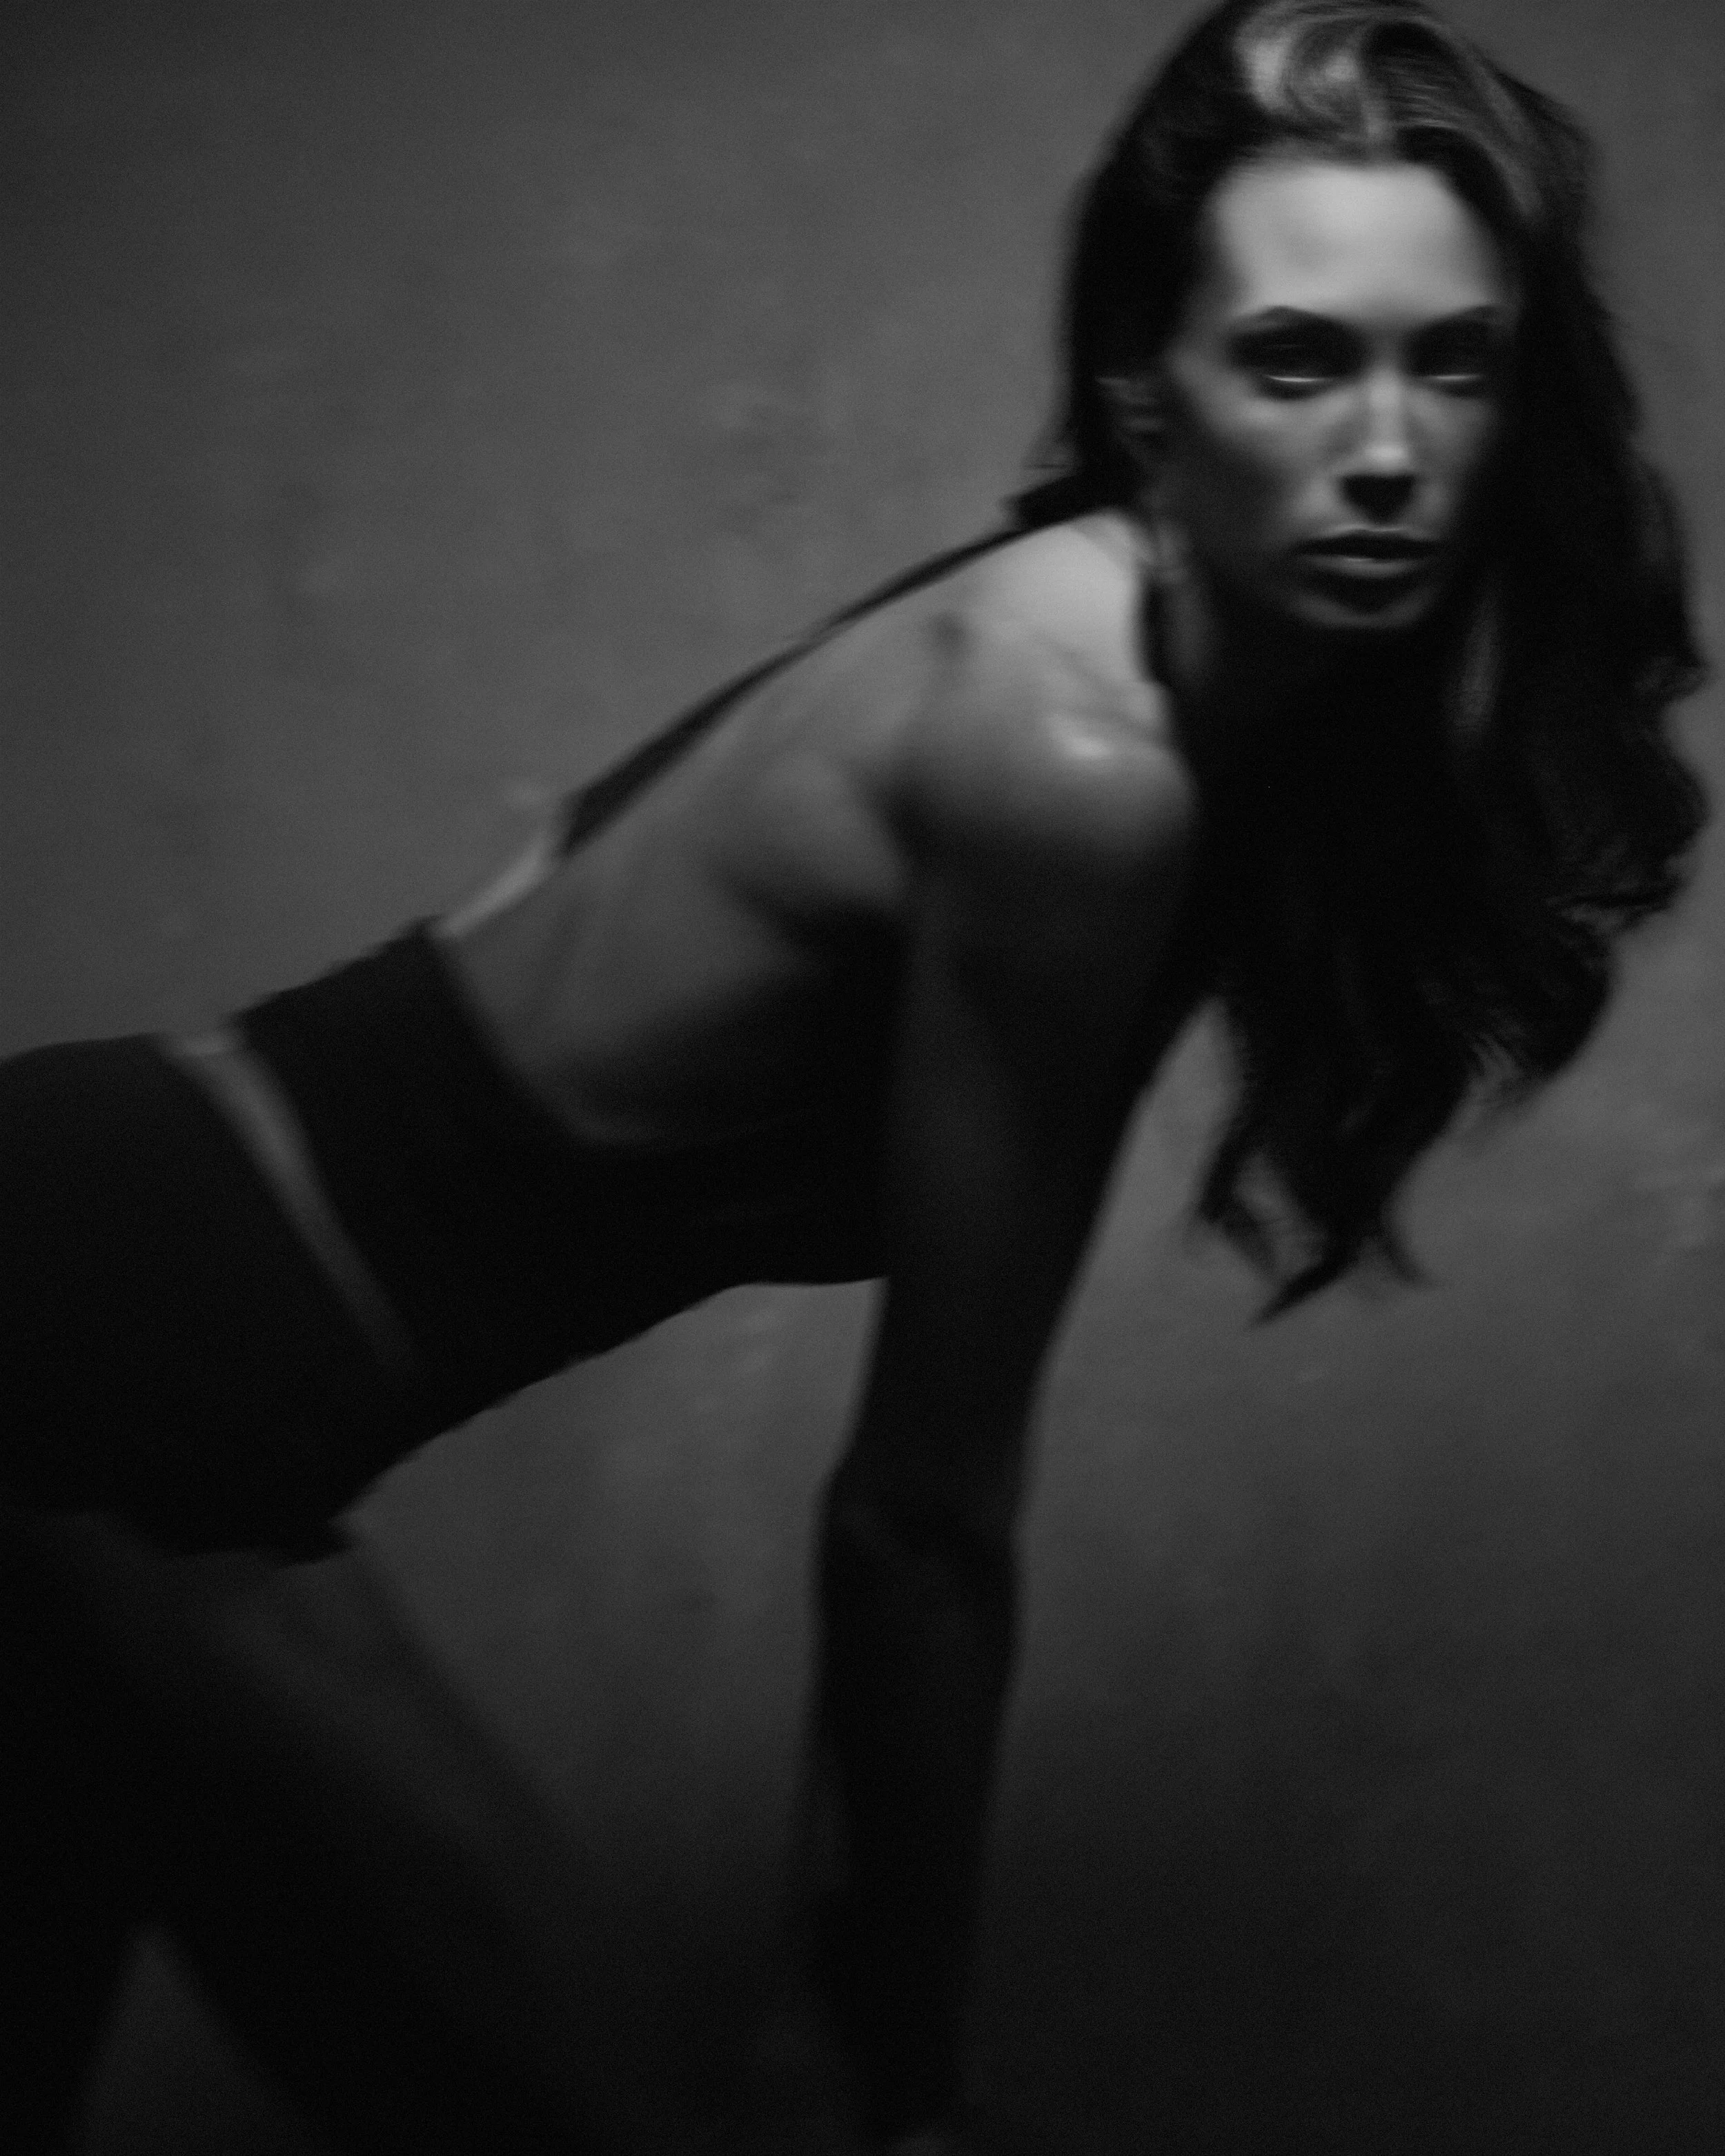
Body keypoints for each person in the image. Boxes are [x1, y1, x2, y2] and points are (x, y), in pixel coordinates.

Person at [0, 0, 1706, 2147]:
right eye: (1293, 360)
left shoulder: (1177, 716)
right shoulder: (1070, 754)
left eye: (1448, 363)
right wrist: (889, 2066)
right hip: (108, 1336)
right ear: (1144, 392)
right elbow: (920, 1518)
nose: (1383, 445)